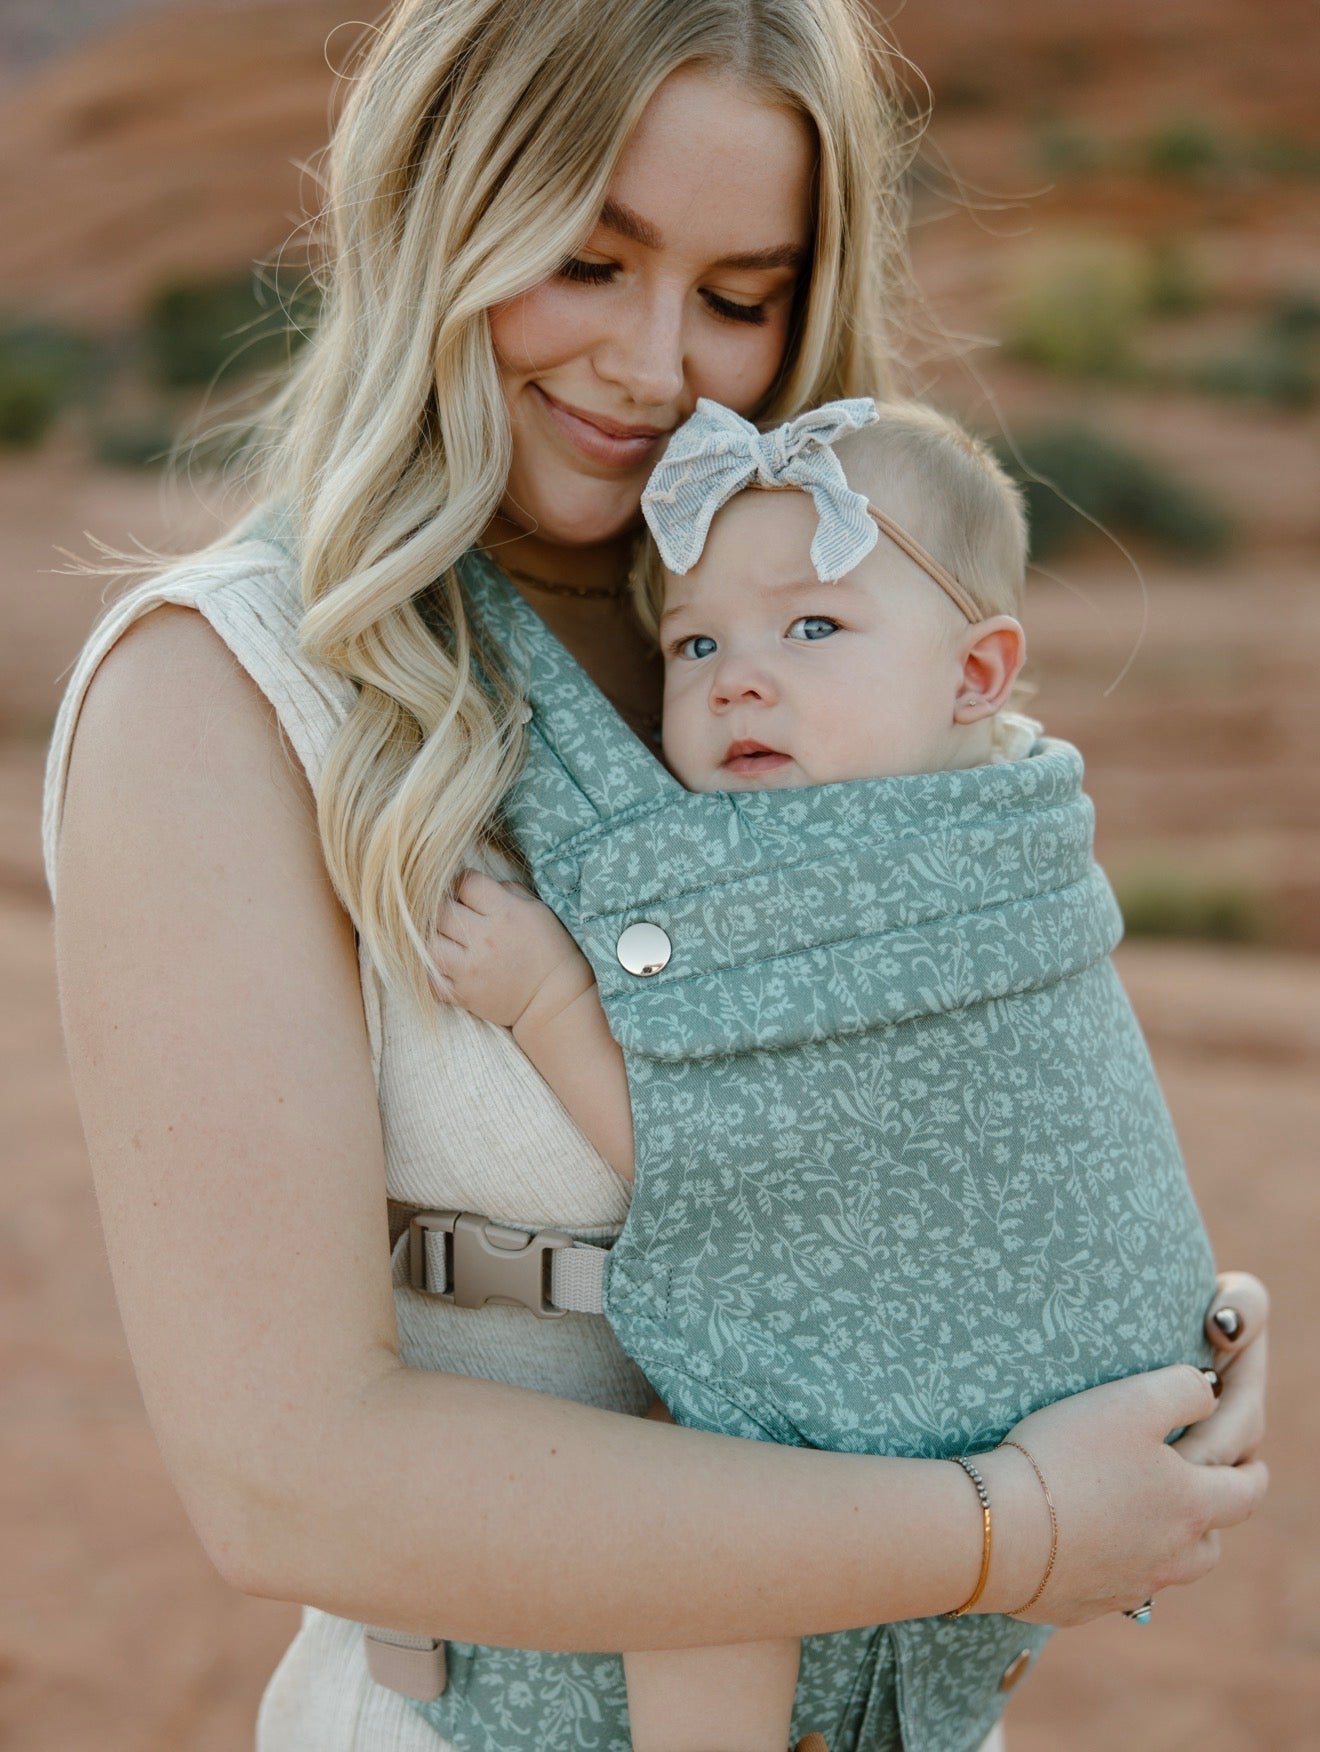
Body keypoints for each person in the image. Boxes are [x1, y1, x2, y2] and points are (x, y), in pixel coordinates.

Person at [42, 5, 1269, 1751]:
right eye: (585, 261)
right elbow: (287, 1479)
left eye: (739, 295)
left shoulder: (840, 654)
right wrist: (1012, 1528)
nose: (654, 364)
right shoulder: (220, 698)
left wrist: (1141, 1331)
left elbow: (985, 1074)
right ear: (434, 212)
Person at [424, 393, 1231, 1752]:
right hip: (1060, 1434)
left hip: (1046, 1408)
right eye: (695, 642)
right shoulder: (899, 833)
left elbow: (724, 1166)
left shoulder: (982, 850)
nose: (737, 679)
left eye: (812, 628)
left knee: (713, 1504)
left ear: (976, 678)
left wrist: (554, 998)